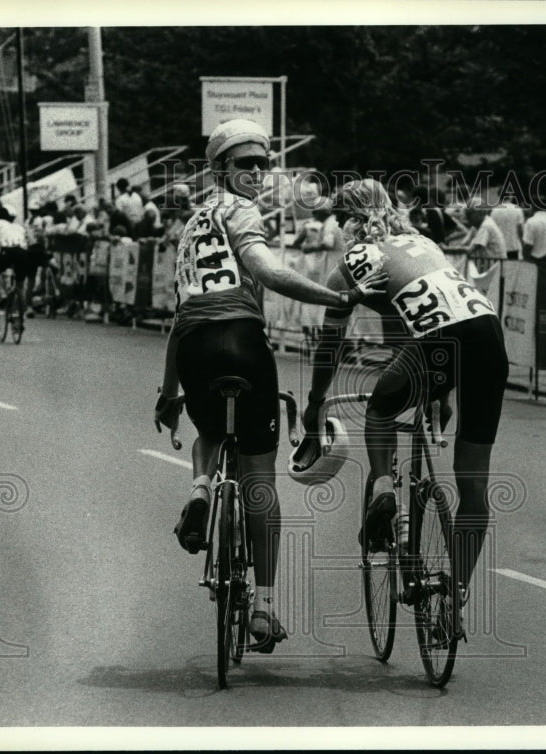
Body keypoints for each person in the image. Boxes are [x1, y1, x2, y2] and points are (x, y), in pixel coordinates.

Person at [153, 119, 387, 652]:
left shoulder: (189, 227)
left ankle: (199, 489)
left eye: (262, 163)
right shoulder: (241, 211)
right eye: (245, 164)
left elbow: (180, 316)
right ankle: (263, 607)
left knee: (209, 433)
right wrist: (337, 299)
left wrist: (168, 395)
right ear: (220, 170)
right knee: (261, 475)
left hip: (193, 347)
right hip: (242, 340)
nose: (257, 173)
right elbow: (267, 269)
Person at [295, 178, 508, 638]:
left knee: (379, 409)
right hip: (487, 335)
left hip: (438, 345)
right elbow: (427, 314)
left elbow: (330, 345)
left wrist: (315, 404)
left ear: (348, 221)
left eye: (338, 219)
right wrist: (441, 394)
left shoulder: (350, 264)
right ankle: (456, 597)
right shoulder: (423, 241)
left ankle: (385, 490)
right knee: (474, 483)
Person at [459, 197, 506, 274]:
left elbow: (470, 250)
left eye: (469, 214)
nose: (467, 218)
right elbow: (463, 244)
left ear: (479, 214)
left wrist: (447, 250)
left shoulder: (486, 226)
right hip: (490, 267)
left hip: (495, 269)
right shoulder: (478, 225)